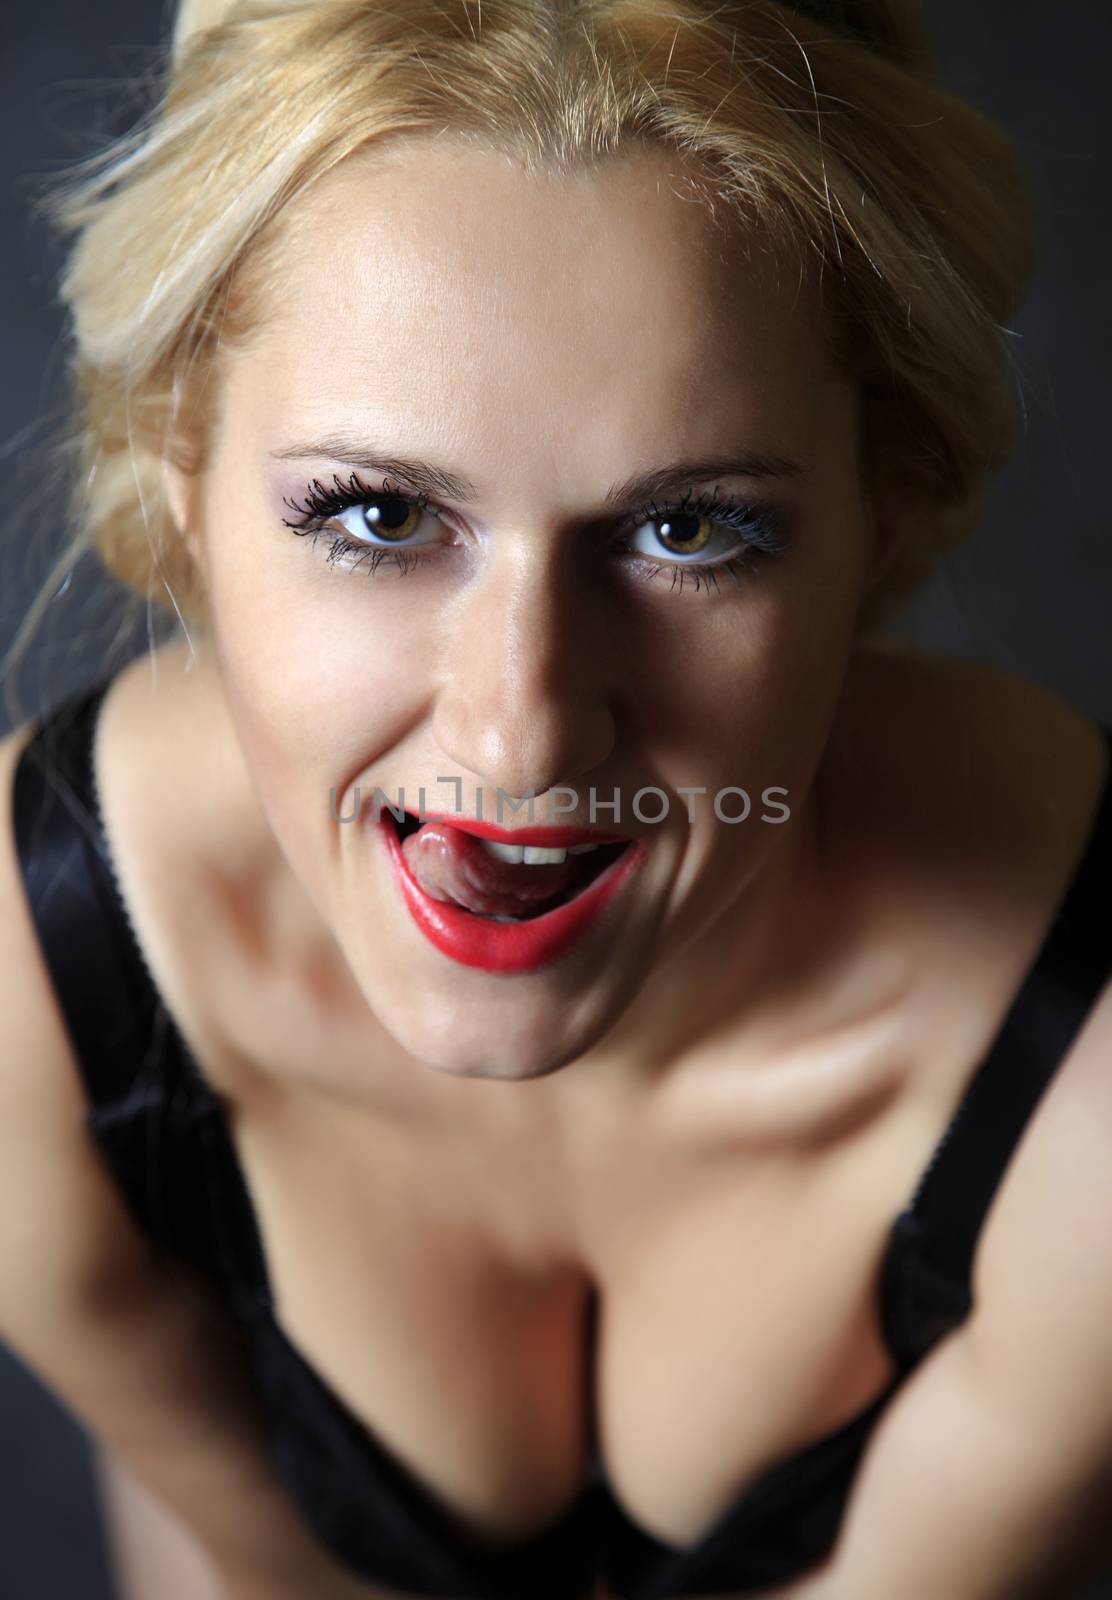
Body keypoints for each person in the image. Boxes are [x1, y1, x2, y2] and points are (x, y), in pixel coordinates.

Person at [2, 1, 1110, 1597]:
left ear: (887, 501)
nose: (522, 737)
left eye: (689, 533)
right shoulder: (41, 987)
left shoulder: (1082, 1091)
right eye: (380, 513)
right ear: (183, 478)